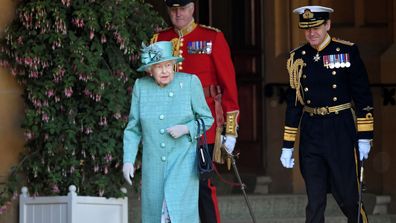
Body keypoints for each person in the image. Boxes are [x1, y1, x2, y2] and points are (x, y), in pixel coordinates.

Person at [280, 5, 374, 223]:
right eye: (307, 29)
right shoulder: (298, 57)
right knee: (314, 201)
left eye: (316, 28)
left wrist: (365, 136)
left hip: (340, 128)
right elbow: (294, 104)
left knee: (349, 197)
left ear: (328, 25)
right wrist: (287, 144)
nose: (312, 33)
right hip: (311, 130)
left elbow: (363, 97)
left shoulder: (346, 52)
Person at [150, 1, 240, 222]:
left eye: (183, 8)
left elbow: (228, 87)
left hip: (202, 127)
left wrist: (230, 129)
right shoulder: (158, 40)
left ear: (192, 8)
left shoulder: (213, 38)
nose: (178, 14)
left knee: (202, 185)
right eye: (173, 9)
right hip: (167, 127)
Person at [122, 41, 214, 223]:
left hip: (183, 166)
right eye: (158, 67)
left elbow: (207, 119)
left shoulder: (189, 82)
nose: (164, 71)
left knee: (180, 216)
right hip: (153, 167)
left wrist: (187, 128)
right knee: (155, 217)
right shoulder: (141, 87)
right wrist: (128, 161)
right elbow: (133, 130)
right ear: (150, 70)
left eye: (167, 66)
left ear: (174, 65)